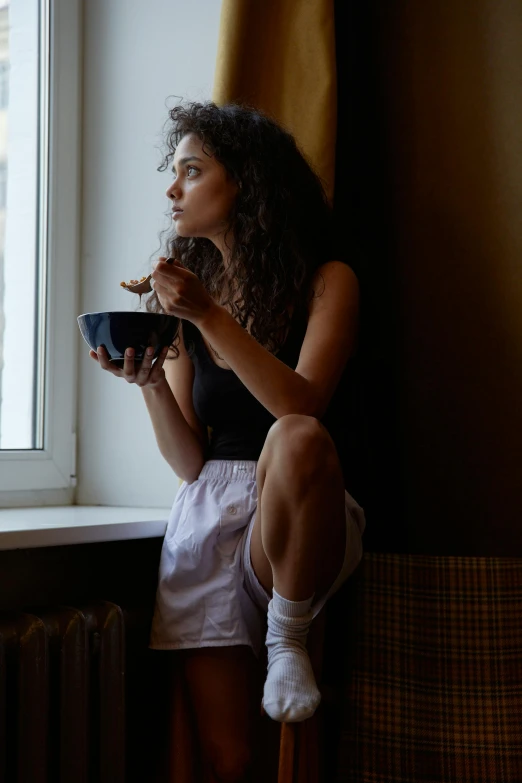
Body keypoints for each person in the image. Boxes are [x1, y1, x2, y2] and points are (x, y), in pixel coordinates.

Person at [89, 101, 366, 783]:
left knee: (297, 436)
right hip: (212, 510)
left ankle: (288, 632)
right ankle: (284, 640)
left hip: (297, 504)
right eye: (174, 171)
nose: (171, 188)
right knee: (230, 758)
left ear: (245, 182)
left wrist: (208, 316)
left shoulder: (327, 282)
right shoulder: (189, 302)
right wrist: (151, 378)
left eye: (192, 170)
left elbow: (300, 404)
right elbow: (189, 459)